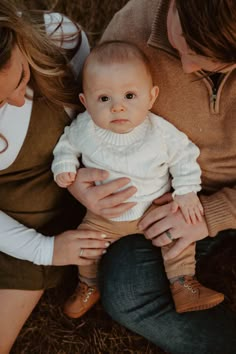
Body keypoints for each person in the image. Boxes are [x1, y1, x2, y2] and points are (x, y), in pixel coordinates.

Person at [67, 0, 236, 353]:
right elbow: (86, 118)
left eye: (210, 62)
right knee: (127, 293)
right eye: (182, 44)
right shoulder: (131, 28)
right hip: (157, 203)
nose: (187, 66)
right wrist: (78, 181)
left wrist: (214, 213)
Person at [52, 40, 224, 319]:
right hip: (104, 215)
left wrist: (186, 191)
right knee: (86, 244)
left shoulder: (160, 132)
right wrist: (64, 166)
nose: (118, 108)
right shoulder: (84, 128)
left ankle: (183, 283)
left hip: (154, 207)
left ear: (151, 97)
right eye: (104, 99)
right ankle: (88, 284)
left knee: (177, 237)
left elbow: (184, 155)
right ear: (85, 102)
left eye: (130, 96)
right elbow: (66, 145)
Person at [0, 1, 110, 353]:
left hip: (39, 226)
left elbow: (98, 118)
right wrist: (45, 251)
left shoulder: (60, 40)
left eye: (20, 78)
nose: (19, 100)